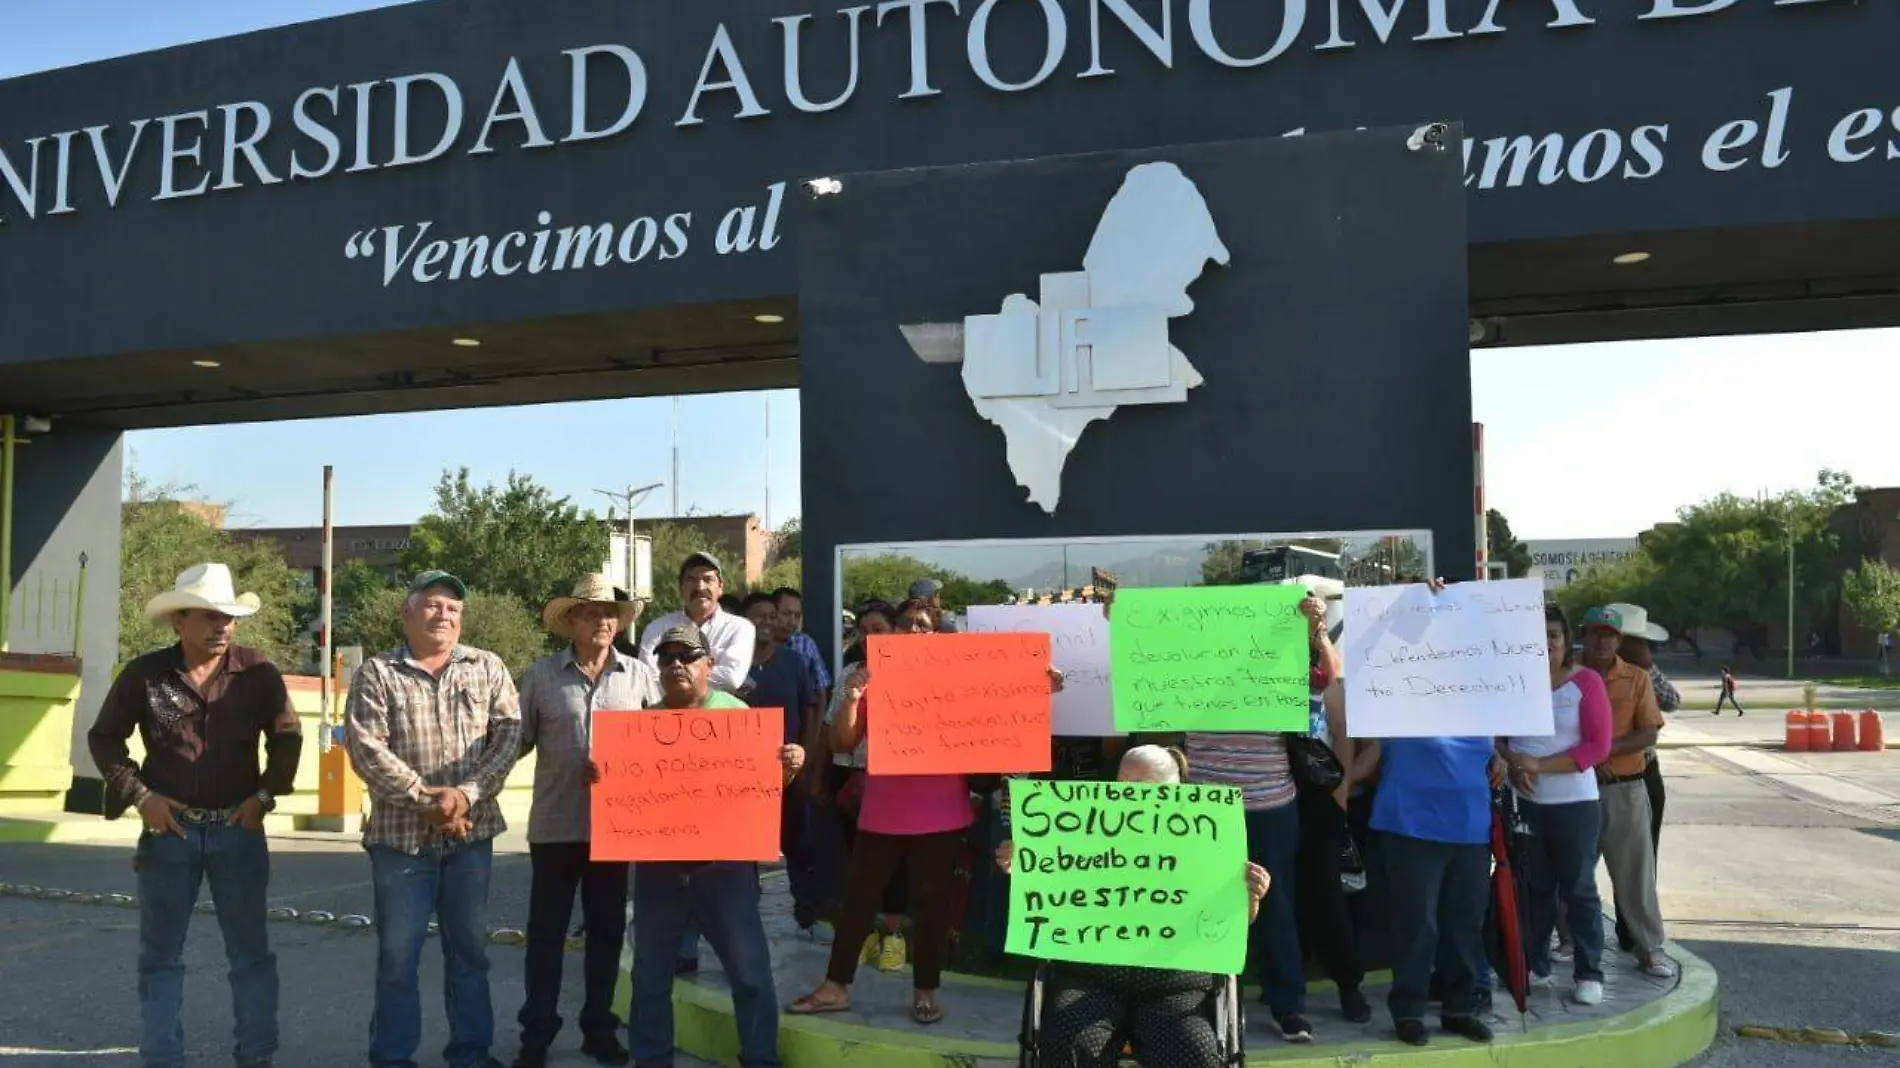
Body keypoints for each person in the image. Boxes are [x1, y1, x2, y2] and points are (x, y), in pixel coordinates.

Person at [787, 598, 1062, 1025]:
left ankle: (925, 992)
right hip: (882, 810)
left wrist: (1036, 690)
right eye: (906, 624)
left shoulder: (961, 680)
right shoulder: (871, 678)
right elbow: (842, 742)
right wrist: (854, 699)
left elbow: (1003, 720)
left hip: (943, 814)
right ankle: (835, 987)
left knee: (931, 906)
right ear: (894, 633)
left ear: (937, 634)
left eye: (923, 624)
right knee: (858, 900)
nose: (914, 630)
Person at [87, 563, 303, 1068]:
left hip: (239, 832)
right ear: (178, 621)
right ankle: (162, 1059)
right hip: (169, 836)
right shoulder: (144, 675)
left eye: (227, 616)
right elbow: (104, 738)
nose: (221, 626)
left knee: (251, 956)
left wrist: (264, 799)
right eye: (208, 616)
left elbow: (287, 739)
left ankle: (256, 1057)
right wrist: (141, 796)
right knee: (161, 958)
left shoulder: (258, 672)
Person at [993, 745, 1271, 1067]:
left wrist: (1251, 897)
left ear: (1175, 787)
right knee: (1069, 1043)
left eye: (1147, 785)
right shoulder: (1085, 825)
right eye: (1126, 781)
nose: (1134, 793)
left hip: (1175, 986)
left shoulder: (1207, 834)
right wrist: (1024, 862)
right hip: (1092, 978)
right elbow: (1050, 889)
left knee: (1194, 1053)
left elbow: (1237, 922)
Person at [346, 570, 523, 1068]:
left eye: (454, 608)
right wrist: (429, 801)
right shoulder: (378, 673)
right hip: (400, 842)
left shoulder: (487, 667)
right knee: (398, 958)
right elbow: (365, 748)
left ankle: (470, 1053)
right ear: (407, 612)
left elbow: (507, 737)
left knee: (469, 952)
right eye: (433, 604)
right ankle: (392, 1057)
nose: (444, 614)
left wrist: (465, 796)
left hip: (472, 838)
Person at [626, 622, 805, 1068]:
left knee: (750, 975)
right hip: (659, 871)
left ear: (709, 665)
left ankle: (761, 1059)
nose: (675, 665)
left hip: (725, 869)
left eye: (686, 657)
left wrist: (790, 764)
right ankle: (651, 1060)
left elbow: (769, 783)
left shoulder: (740, 716)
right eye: (666, 658)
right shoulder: (642, 727)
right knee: (650, 978)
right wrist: (600, 776)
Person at [511, 574, 658, 1068]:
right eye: (591, 613)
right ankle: (537, 1034)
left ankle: (599, 1029)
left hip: (615, 832)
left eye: (609, 614)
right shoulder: (540, 676)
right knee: (546, 936)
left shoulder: (640, 677)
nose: (601, 621)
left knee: (607, 934)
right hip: (555, 827)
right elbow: (515, 743)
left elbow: (664, 749)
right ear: (571, 620)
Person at [1179, 593, 1328, 1042]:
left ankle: (1288, 1006)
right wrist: (1123, 622)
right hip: (1207, 808)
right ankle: (1205, 1002)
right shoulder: (1186, 668)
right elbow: (1139, 673)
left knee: (1276, 907)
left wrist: (1316, 629)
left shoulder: (1275, 666)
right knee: (1204, 906)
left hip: (1270, 805)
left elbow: (1322, 682)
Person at [1500, 606, 1613, 1006]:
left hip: (1575, 805)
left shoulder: (1586, 682)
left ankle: (1589, 972)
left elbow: (1597, 747)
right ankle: (1537, 965)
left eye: (1554, 635)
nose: (1546, 642)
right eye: (1538, 635)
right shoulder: (1512, 683)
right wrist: (1513, 763)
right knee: (1536, 889)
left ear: (1566, 643)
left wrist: (1540, 765)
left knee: (1578, 888)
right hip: (1526, 805)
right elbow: (1499, 738)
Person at [1578, 605, 1676, 979]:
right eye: (1595, 633)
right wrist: (1584, 757)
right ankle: (1568, 941)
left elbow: (1648, 732)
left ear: (1620, 639)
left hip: (1625, 788)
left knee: (1635, 873)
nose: (1602, 640)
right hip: (1576, 786)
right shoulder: (1565, 676)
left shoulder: (1637, 678)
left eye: (1610, 634)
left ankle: (1649, 947)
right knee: (1571, 873)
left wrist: (1601, 750)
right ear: (1584, 635)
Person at [1294, 607, 1368, 1023]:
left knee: (1326, 894)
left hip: (1320, 795)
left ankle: (1348, 984)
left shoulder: (1326, 677)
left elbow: (1343, 733)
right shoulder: (1261, 669)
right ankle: (1288, 978)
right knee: (1280, 891)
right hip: (1274, 791)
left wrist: (1340, 792)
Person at [738, 591, 824, 938]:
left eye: (772, 616)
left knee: (797, 843)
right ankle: (744, 917)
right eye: (758, 616)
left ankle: (807, 914)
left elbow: (811, 708)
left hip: (787, 773)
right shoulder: (728, 665)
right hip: (740, 778)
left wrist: (806, 757)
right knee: (744, 851)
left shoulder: (793, 661)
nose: (767, 622)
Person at [1608, 604, 1677, 956]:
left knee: (1638, 858)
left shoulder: (1643, 673)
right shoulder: (1589, 666)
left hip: (1640, 772)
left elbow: (1672, 701)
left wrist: (1646, 667)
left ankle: (1633, 931)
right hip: (1589, 773)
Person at [636, 552, 756, 694]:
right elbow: (648, 680)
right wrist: (704, 673)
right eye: (691, 579)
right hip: (666, 714)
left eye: (708, 579)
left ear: (720, 587)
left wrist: (675, 676)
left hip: (719, 714)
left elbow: (731, 679)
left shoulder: (740, 628)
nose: (699, 587)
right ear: (681, 588)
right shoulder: (657, 628)